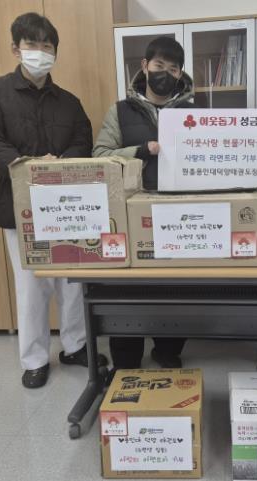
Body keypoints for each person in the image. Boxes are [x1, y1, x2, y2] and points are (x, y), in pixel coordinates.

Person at [0, 12, 105, 389]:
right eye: (32, 44)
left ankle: (76, 345)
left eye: (47, 46)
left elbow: (83, 140)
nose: (40, 52)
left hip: (68, 208)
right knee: (31, 285)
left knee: (72, 281)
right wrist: (32, 167)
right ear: (16, 48)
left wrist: (58, 167)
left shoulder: (69, 101)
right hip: (19, 207)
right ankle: (34, 359)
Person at [93, 36, 194, 370]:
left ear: (180, 74)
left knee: (175, 289)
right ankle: (126, 360)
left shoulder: (194, 112)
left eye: (173, 69)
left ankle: (168, 350)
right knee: (128, 290)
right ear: (144, 66)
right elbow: (100, 155)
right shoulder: (120, 111)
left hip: (181, 212)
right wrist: (140, 151)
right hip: (132, 213)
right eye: (159, 65)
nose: (165, 73)